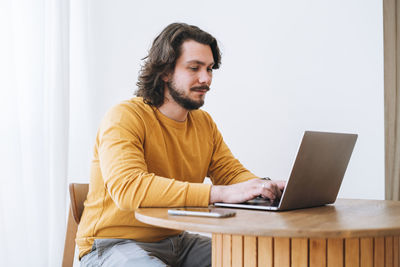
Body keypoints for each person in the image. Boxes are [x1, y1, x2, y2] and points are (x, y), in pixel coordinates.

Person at [77, 22, 286, 267]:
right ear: (165, 71)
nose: (205, 78)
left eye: (209, 69)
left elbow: (230, 173)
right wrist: (219, 193)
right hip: (112, 243)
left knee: (265, 260)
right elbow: (128, 188)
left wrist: (263, 187)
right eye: (194, 68)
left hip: (177, 240)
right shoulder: (125, 116)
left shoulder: (203, 123)